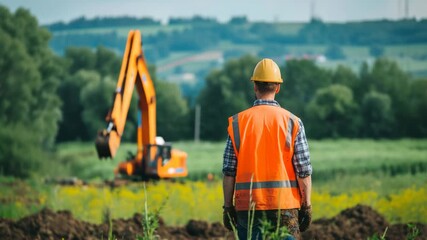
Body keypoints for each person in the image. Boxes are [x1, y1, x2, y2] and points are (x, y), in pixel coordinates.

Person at [222, 58, 313, 240]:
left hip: (248, 208)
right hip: (285, 205)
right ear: (278, 88)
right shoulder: (292, 122)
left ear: (255, 86)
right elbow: (303, 170)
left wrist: (227, 207)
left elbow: (229, 171)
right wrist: (307, 206)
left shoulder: (238, 123)